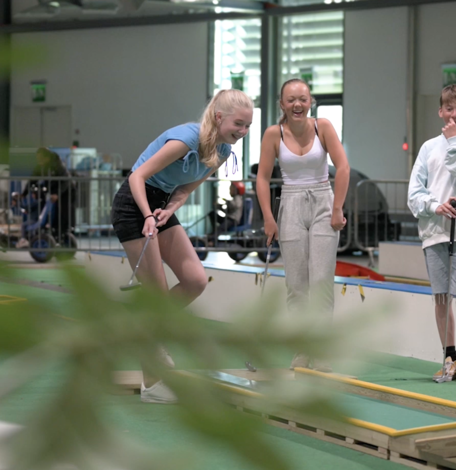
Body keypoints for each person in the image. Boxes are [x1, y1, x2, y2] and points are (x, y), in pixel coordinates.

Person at [111, 89, 253, 403]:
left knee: (195, 280)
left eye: (248, 127)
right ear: (219, 118)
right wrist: (147, 215)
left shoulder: (223, 152)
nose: (242, 132)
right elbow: (136, 177)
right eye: (238, 124)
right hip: (133, 206)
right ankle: (152, 385)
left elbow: (185, 190)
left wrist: (168, 210)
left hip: (160, 207)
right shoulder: (187, 139)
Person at [256, 78, 350, 372]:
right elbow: (262, 178)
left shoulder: (323, 127)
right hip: (291, 202)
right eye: (291, 100)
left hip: (323, 199)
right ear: (282, 104)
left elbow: (343, 167)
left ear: (310, 102)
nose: (298, 105)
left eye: (303, 99)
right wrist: (269, 219)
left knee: (321, 281)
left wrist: (337, 209)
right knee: (296, 285)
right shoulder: (273, 134)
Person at [407, 84, 456, 383]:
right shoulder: (428, 148)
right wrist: (434, 206)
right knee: (441, 297)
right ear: (440, 111)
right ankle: (449, 357)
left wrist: (455, 142)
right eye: (449, 109)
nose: (454, 115)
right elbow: (414, 194)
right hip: (435, 232)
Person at [15, 147, 75, 249]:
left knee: (63, 215)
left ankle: (62, 238)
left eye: (41, 158)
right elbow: (32, 181)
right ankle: (56, 239)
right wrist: (24, 194)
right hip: (54, 193)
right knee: (53, 215)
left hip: (66, 191)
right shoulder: (41, 167)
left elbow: (66, 181)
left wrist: (57, 193)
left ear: (47, 158)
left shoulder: (57, 165)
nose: (39, 161)